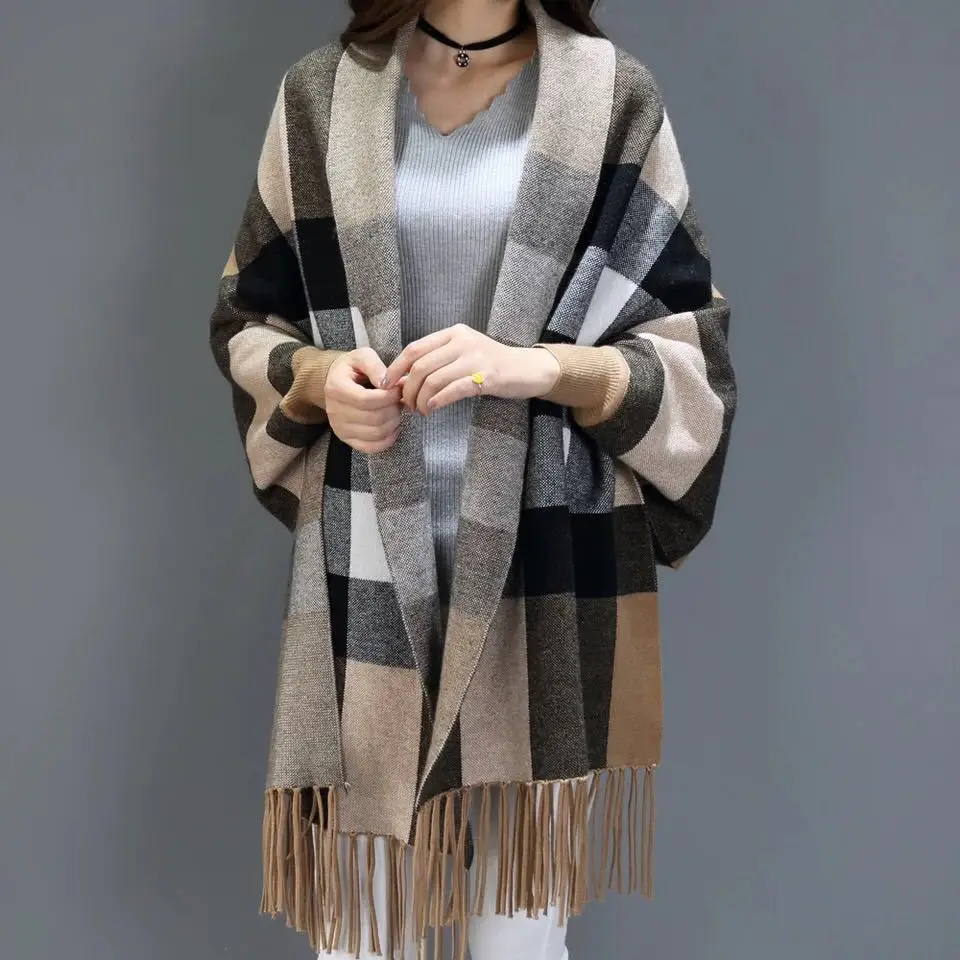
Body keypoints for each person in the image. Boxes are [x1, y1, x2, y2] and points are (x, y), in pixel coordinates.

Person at [208, 0, 737, 958]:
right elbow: (248, 321)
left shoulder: (609, 96)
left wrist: (535, 367)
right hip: (366, 559)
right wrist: (321, 380)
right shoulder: (323, 95)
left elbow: (687, 349)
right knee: (359, 938)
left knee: (519, 940)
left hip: (546, 563)